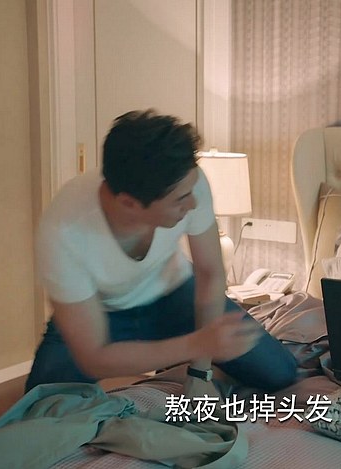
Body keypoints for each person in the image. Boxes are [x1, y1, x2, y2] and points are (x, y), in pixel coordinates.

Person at [25, 109, 297, 395]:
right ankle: (170, 361)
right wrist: (197, 344)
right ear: (129, 204)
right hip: (100, 312)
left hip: (174, 294)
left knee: (280, 372)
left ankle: (179, 367)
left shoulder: (187, 182)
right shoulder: (64, 232)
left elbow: (210, 272)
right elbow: (93, 358)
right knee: (38, 407)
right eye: (180, 200)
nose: (193, 204)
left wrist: (200, 371)